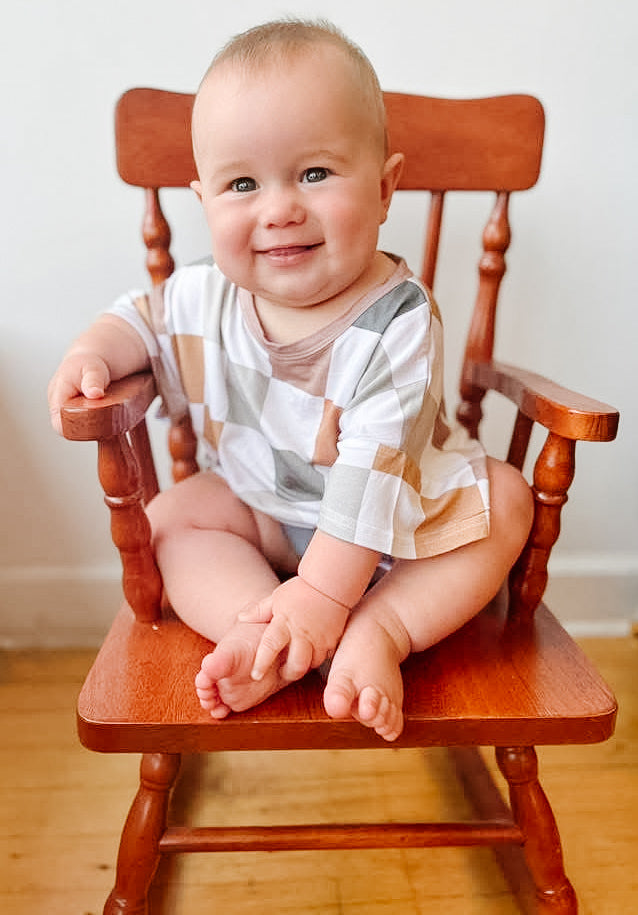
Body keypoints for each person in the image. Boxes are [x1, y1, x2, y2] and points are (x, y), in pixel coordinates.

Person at [48, 18, 533, 741]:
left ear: (385, 188)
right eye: (243, 184)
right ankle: (261, 632)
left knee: (508, 501)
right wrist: (92, 353)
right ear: (205, 203)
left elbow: (370, 476)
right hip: (266, 512)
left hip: (401, 530)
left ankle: (383, 627)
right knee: (171, 520)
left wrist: (324, 596)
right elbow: (141, 321)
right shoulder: (206, 293)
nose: (279, 209)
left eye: (314, 174)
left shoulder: (396, 318)